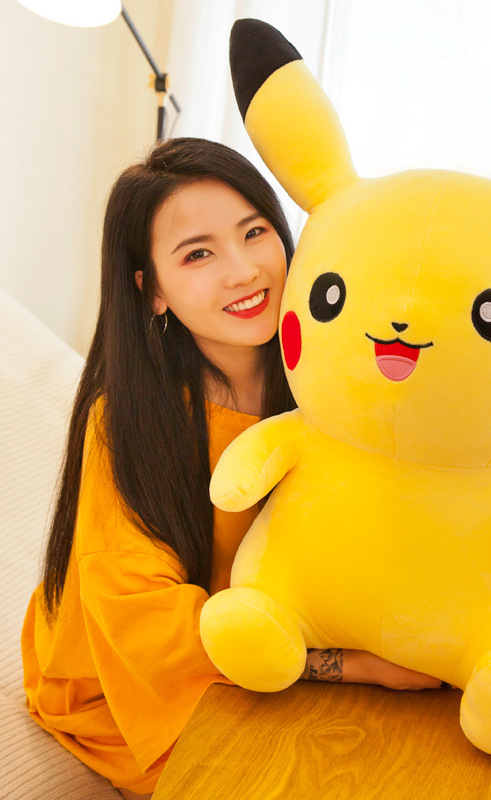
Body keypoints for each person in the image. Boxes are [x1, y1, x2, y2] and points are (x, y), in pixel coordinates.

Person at [21, 137, 440, 799]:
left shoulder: (327, 375)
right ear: (151, 291)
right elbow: (143, 623)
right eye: (198, 254)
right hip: (130, 680)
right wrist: (347, 665)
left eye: (254, 232)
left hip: (277, 644)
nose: (244, 271)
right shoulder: (127, 419)